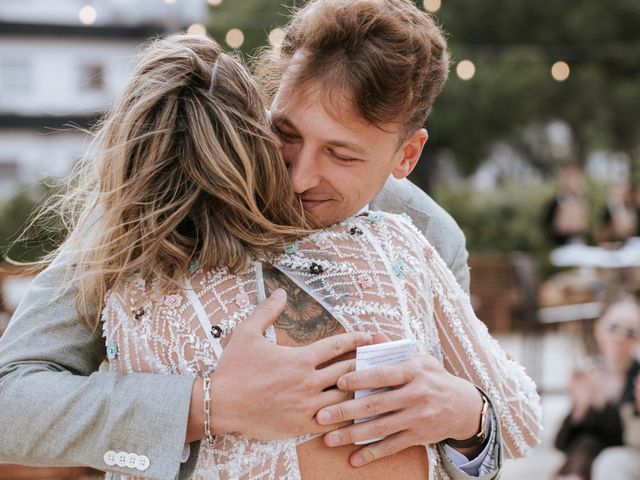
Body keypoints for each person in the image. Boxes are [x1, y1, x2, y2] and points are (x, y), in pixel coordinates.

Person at [0, 1, 541, 479]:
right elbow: (10, 404)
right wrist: (204, 405)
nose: (300, 175)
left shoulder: (426, 232)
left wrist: (470, 419)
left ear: (407, 156)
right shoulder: (159, 200)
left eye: (343, 155)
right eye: (286, 132)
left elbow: (468, 451)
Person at [554, 299, 640, 480]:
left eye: (630, 332)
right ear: (599, 328)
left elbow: (624, 440)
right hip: (588, 455)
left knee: (596, 449)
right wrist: (580, 409)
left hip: (618, 455)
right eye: (613, 327)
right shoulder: (589, 371)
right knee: (586, 443)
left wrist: (600, 402)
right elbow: (562, 443)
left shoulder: (636, 378)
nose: (620, 337)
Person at [545, 164, 589, 246]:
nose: (576, 183)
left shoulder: (581, 201)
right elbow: (561, 228)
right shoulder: (557, 202)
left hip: (579, 243)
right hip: (561, 245)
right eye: (572, 180)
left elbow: (583, 226)